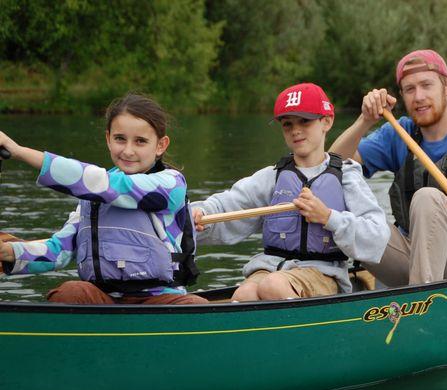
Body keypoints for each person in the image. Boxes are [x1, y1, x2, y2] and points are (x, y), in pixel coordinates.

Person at [329, 49, 447, 286]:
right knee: (348, 214)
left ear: (446, 86)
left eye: (426, 85)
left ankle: (421, 303)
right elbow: (332, 166)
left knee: (428, 197)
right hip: (409, 254)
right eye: (410, 89)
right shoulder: (398, 132)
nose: (418, 96)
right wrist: (365, 120)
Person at [0, 93, 208, 304]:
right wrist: (9, 252)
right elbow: (60, 250)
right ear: (108, 139)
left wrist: (19, 152)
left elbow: (110, 186)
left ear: (161, 145)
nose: (128, 151)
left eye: (140, 141)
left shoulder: (170, 184)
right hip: (104, 300)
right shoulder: (93, 195)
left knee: (197, 306)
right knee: (71, 291)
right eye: (120, 139)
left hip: (160, 299)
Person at [192, 83, 389, 301]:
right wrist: (201, 214)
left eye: (305, 121)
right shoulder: (272, 177)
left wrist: (328, 217)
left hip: (322, 273)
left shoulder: (347, 176)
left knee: (273, 286)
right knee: (245, 293)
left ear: (327, 122)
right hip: (271, 268)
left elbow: (377, 236)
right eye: (287, 124)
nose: (295, 130)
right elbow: (227, 204)